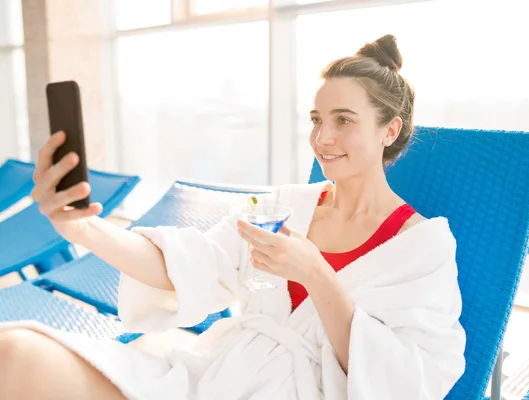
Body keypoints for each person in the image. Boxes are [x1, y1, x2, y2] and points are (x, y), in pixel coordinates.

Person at [0, 34, 466, 399]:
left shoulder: (421, 247)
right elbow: (185, 265)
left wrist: (317, 275)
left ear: (390, 129)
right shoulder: (287, 206)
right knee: (15, 353)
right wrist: (82, 227)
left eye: (343, 120)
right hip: (219, 378)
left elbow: (404, 382)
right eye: (316, 119)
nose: (323, 137)